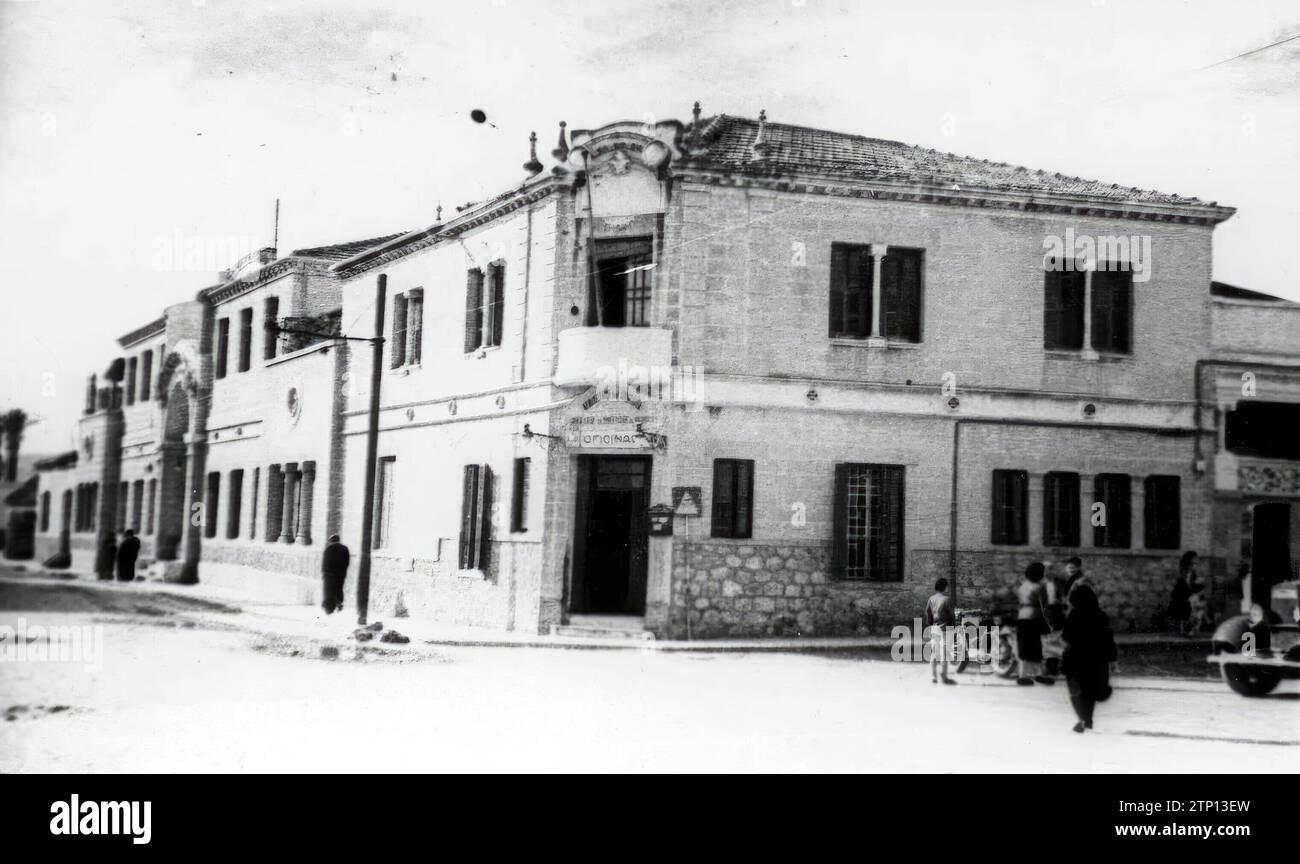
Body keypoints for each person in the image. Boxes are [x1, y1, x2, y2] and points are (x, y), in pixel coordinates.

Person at [1061, 583, 1117, 733]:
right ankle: (1088, 719)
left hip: (1075, 659)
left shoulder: (1073, 615)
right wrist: (1113, 661)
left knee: (1075, 691)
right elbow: (1108, 639)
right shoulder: (1101, 615)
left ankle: (1081, 718)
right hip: (1096, 660)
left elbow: (1066, 636)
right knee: (1090, 692)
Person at [1015, 562, 1054, 686]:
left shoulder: (1022, 585)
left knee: (1024, 647)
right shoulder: (1040, 586)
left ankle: (1023, 675)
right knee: (1036, 647)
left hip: (1022, 617)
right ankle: (1039, 674)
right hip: (1034, 617)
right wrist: (1049, 622)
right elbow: (1045, 605)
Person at [925, 578, 957, 685]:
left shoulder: (931, 599)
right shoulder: (947, 600)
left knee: (934, 652)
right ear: (945, 587)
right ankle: (944, 677)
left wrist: (932, 624)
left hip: (935, 628)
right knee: (944, 653)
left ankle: (934, 677)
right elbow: (952, 615)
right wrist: (955, 626)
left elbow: (928, 614)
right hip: (946, 628)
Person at [1168, 551, 1203, 635]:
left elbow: (1195, 587)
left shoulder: (1193, 575)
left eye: (1196, 564)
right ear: (1189, 563)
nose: (1195, 566)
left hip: (1190, 598)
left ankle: (1194, 628)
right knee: (1194, 603)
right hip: (1181, 597)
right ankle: (1190, 628)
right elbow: (1181, 588)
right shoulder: (1183, 573)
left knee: (1199, 604)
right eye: (1193, 563)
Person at [320, 534, 350, 615]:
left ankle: (329, 609)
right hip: (340, 575)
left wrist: (324, 573)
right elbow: (347, 562)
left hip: (329, 575)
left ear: (331, 541)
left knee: (329, 591)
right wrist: (343, 571)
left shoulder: (328, 549)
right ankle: (339, 603)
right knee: (339, 589)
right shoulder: (344, 549)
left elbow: (324, 563)